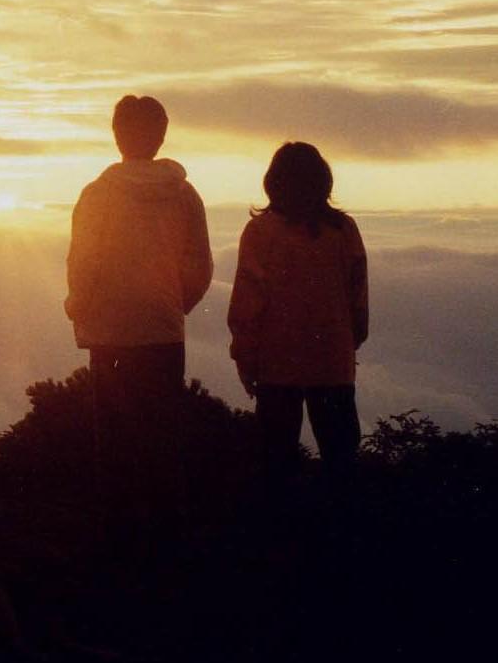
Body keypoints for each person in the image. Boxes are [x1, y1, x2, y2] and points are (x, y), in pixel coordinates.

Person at [65, 95, 213, 525]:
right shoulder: (185, 196)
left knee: (111, 441)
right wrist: (174, 305)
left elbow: (83, 261)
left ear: (116, 135)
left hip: (109, 331)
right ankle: (166, 543)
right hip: (163, 332)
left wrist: (80, 307)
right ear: (161, 134)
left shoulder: (96, 195)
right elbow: (200, 265)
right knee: (162, 441)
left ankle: (117, 541)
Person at [227, 142, 369, 487]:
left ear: (273, 181)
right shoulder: (344, 230)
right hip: (333, 362)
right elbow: (358, 301)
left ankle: (283, 535)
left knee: (276, 468)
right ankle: (340, 536)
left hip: (276, 365)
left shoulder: (261, 233)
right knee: (341, 464)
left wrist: (246, 360)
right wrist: (348, 343)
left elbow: (247, 305)